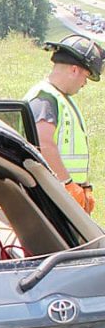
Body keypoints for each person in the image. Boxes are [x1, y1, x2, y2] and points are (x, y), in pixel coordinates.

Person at [24, 34, 105, 214]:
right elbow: (43, 143)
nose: (85, 83)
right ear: (74, 70)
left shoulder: (59, 97)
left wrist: (83, 187)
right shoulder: (45, 98)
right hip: (55, 196)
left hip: (60, 194)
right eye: (86, 76)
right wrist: (67, 185)